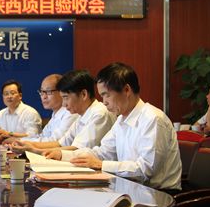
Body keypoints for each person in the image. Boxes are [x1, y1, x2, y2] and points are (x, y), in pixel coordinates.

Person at [62, 62, 181, 191]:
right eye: (102, 96)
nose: (104, 102)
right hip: (132, 188)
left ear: (126, 90)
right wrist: (63, 155)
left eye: (107, 95)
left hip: (159, 194)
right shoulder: (121, 120)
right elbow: (102, 152)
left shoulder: (153, 119)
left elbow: (145, 170)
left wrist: (101, 165)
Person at [12, 70, 114, 156]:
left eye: (66, 98)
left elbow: (78, 150)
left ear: (83, 94)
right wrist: (29, 145)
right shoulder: (81, 116)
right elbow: (60, 143)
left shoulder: (99, 114)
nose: (64, 104)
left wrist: (35, 150)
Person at [5, 74, 77, 144]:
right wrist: (17, 140)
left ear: (61, 92)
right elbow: (41, 136)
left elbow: (55, 141)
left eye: (48, 92)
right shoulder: (55, 115)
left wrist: (19, 141)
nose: (44, 97)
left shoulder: (70, 113)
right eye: (42, 92)